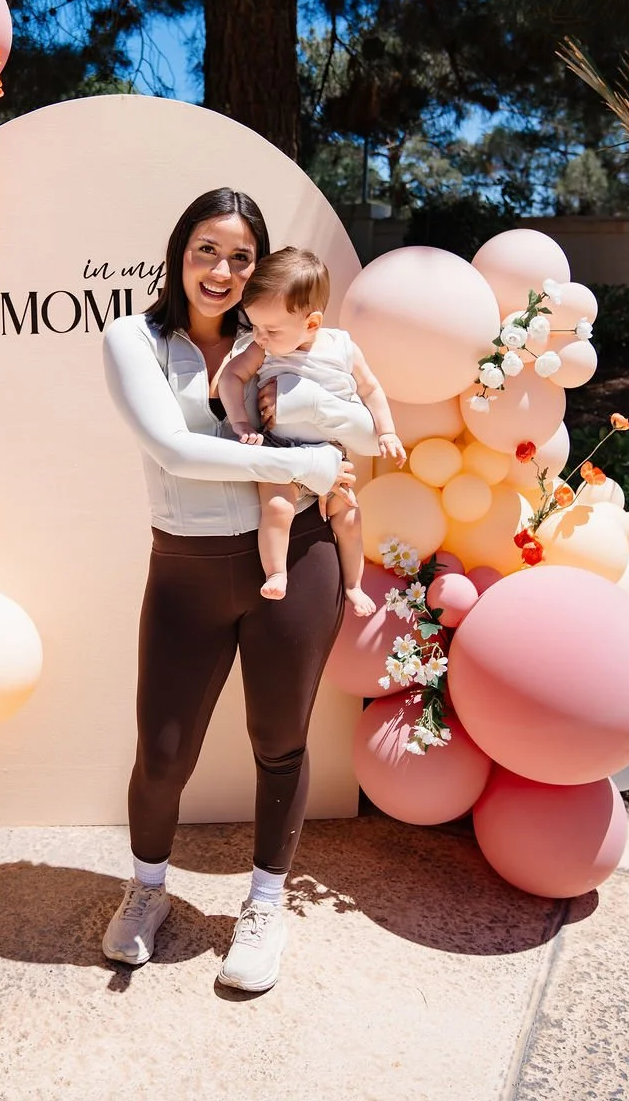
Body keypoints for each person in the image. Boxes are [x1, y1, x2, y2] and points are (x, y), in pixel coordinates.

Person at [101, 189, 377, 993]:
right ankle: (147, 888)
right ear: (178, 252)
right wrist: (303, 464)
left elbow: (361, 429)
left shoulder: (291, 344)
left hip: (300, 558)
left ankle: (263, 907)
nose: (221, 271)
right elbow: (174, 449)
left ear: (261, 269)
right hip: (187, 564)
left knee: (280, 739)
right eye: (206, 250)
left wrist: (324, 434)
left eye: (241, 257)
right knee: (162, 752)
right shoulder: (136, 338)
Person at [218, 246, 406, 611]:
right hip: (281, 449)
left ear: (312, 323)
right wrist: (240, 420)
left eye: (270, 329)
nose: (259, 337)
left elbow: (370, 388)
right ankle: (276, 573)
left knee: (349, 519)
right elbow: (231, 376)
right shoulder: (266, 350)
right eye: (254, 326)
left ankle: (353, 585)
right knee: (277, 507)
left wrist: (387, 431)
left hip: (334, 453)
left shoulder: (342, 347)